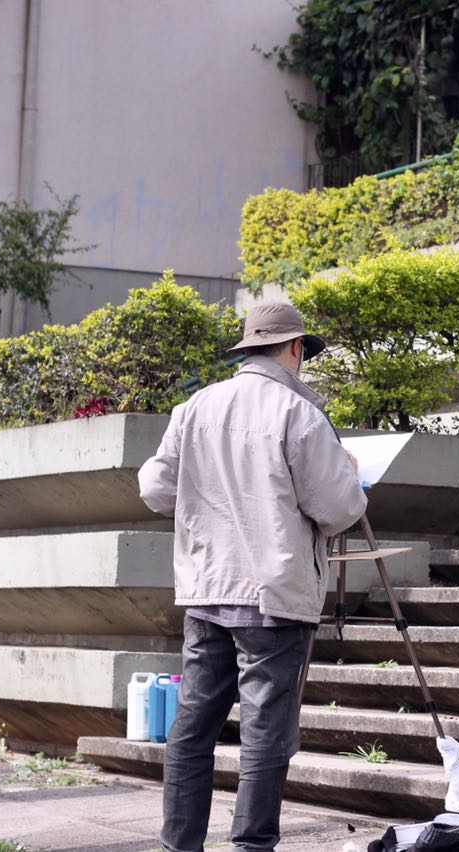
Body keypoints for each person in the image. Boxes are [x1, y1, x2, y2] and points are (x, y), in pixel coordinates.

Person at [138, 302, 367, 852]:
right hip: (273, 596)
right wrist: (352, 475)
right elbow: (338, 508)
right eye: (303, 352)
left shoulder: (194, 408)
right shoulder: (300, 414)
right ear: (293, 348)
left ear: (247, 350)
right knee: (266, 734)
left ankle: (179, 845)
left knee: (192, 731)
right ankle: (251, 846)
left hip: (206, 591)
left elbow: (155, 489)